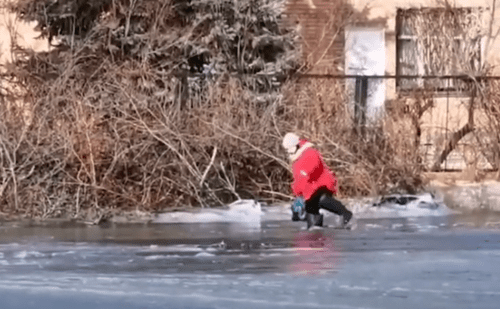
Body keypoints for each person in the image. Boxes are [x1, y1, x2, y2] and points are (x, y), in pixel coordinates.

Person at [282, 132, 353, 229]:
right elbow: (298, 180)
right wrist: (298, 195)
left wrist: (306, 173)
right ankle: (315, 227)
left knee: (320, 199)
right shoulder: (296, 160)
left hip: (321, 186)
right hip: (308, 192)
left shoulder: (310, 152)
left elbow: (314, 167)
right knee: (306, 209)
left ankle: (346, 214)